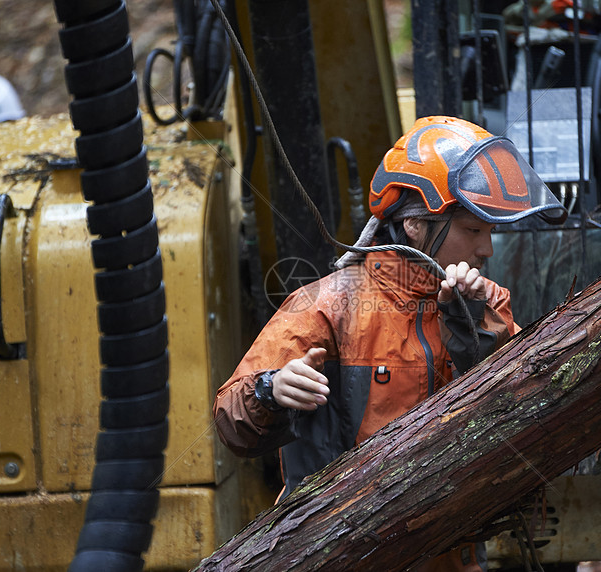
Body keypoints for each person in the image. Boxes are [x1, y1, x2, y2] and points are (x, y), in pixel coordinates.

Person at [213, 116, 567, 571]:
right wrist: (269, 390)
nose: (487, 251)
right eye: (473, 231)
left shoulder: (488, 303)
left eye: (490, 233)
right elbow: (230, 423)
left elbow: (527, 411)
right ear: (416, 225)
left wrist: (476, 330)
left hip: (451, 555)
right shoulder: (330, 304)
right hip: (340, 555)